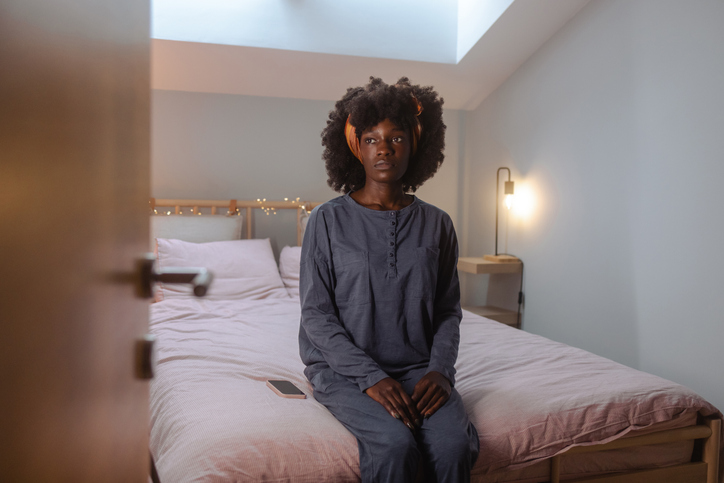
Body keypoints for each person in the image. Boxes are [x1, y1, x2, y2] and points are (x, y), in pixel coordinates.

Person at [299, 77, 479, 483]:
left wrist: (440, 370)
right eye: (371, 139)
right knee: (395, 444)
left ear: (415, 146)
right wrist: (371, 377)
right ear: (355, 148)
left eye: (396, 138)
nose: (383, 148)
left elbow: (449, 311)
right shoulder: (326, 220)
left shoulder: (438, 224)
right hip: (343, 372)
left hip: (419, 368)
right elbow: (316, 315)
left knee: (453, 446)